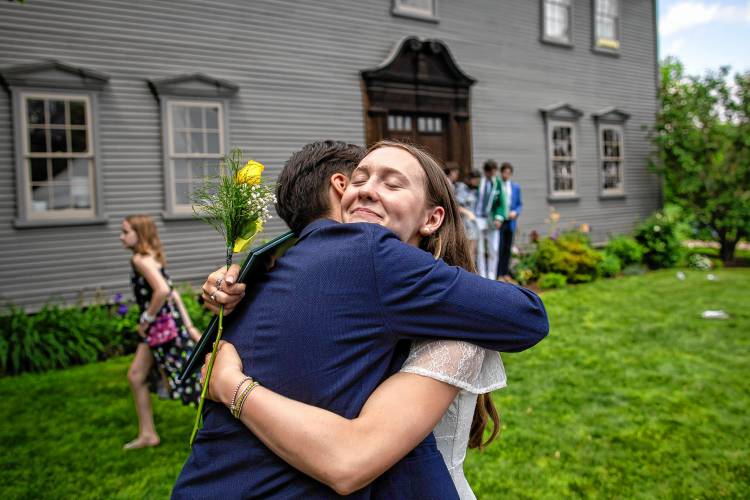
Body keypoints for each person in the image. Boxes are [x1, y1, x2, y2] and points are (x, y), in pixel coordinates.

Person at [172, 140, 548, 499]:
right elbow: (529, 316)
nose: (367, 189)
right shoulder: (346, 259)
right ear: (341, 191)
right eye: (360, 178)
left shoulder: (290, 268)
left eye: (393, 183)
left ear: (432, 219)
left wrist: (233, 386)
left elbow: (526, 316)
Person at [119, 214, 202, 449]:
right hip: (166, 327)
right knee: (137, 375)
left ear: (140, 233)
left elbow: (163, 291)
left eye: (126, 232)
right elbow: (173, 292)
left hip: (161, 330)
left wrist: (146, 319)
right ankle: (147, 434)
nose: (121, 237)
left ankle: (224, 426)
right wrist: (188, 325)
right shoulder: (151, 257)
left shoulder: (140, 260)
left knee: (190, 378)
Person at [474, 159, 506, 280]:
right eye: (491, 172)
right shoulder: (480, 182)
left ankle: (492, 276)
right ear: (486, 172)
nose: (493, 175)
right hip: (478, 218)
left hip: (492, 220)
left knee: (494, 248)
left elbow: (501, 203)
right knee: (480, 249)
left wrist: (499, 218)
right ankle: (482, 275)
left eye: (494, 172)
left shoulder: (497, 183)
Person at [496, 162, 523, 280]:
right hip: (500, 222)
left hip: (511, 222)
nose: (506, 175)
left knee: (507, 248)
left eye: (508, 173)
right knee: (499, 248)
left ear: (510, 174)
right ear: (501, 173)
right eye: (504, 172)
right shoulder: (497, 185)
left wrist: (515, 212)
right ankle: (498, 274)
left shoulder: (515, 187)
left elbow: (519, 204)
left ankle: (505, 273)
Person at [454, 169, 481, 265]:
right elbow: (456, 206)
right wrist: (467, 212)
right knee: (466, 252)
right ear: (470, 179)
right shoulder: (462, 189)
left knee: (473, 251)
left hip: (473, 225)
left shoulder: (475, 190)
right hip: (465, 225)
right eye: (475, 179)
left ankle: (471, 273)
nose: (477, 182)